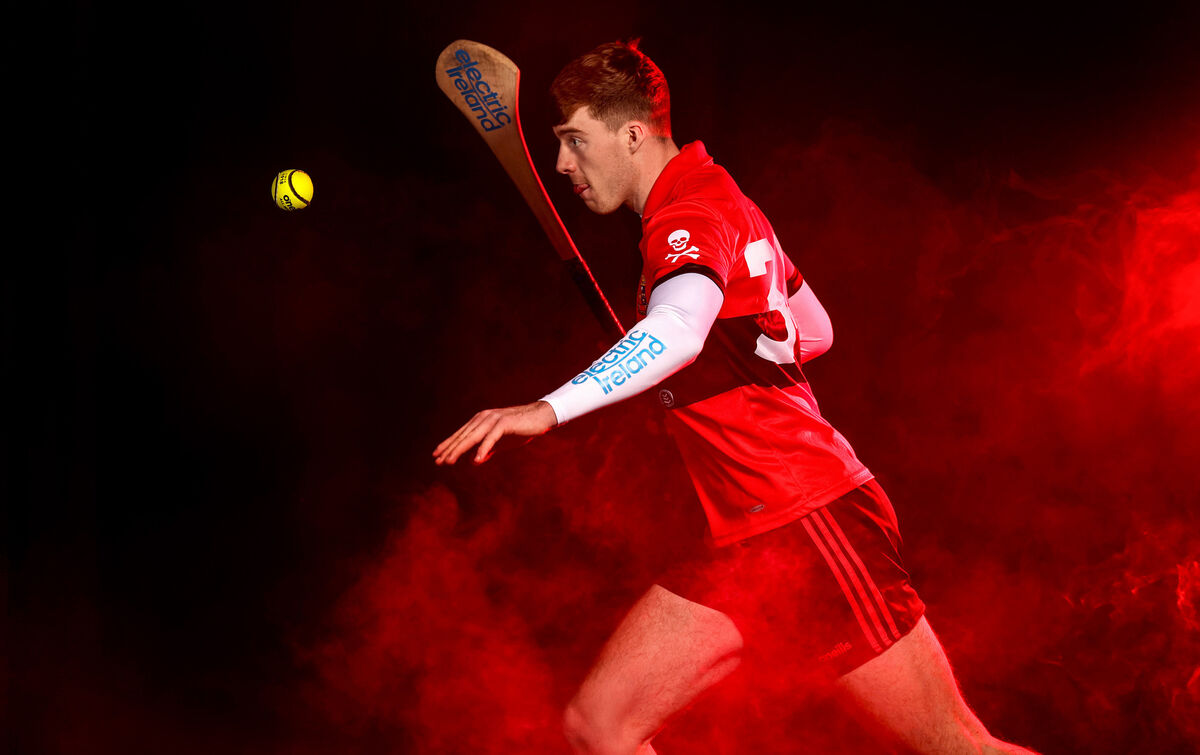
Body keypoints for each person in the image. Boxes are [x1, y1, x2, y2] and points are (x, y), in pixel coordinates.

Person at [434, 39, 1038, 755]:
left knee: (955, 745)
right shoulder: (721, 197)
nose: (563, 163)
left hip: (805, 515)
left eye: (574, 140)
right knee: (601, 724)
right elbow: (812, 329)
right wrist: (704, 361)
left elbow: (680, 328)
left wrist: (548, 407)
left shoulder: (686, 216)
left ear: (630, 134)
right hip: (746, 538)